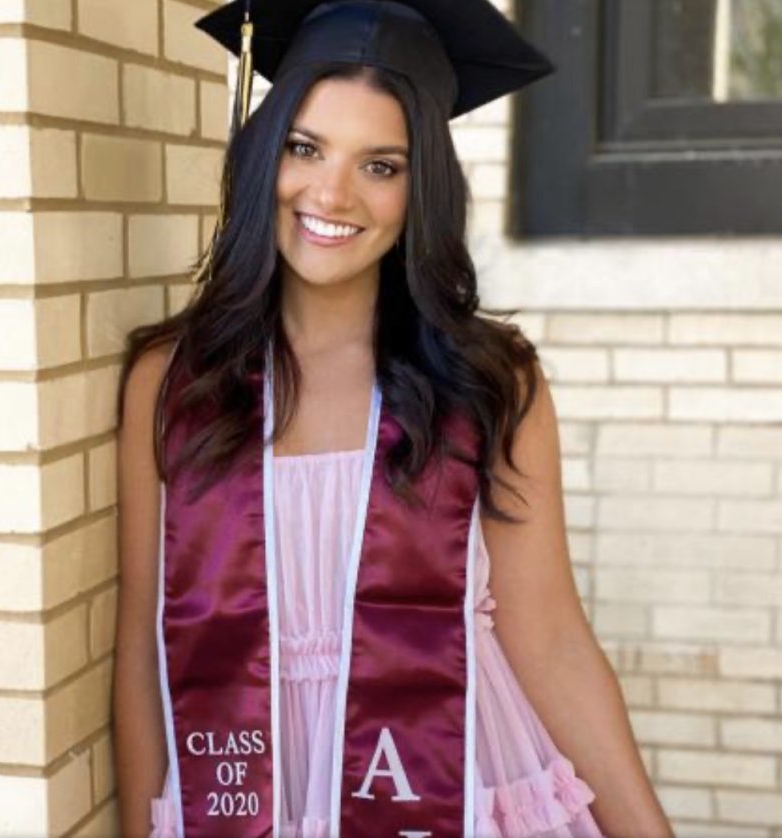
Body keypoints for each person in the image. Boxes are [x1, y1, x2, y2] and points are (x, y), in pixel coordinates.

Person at [113, 1, 675, 836]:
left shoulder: (489, 384)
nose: (332, 193)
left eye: (382, 165)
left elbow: (549, 636)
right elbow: (141, 648)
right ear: (265, 152)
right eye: (305, 148)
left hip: (454, 785)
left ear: (423, 190)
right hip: (242, 794)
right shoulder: (176, 384)